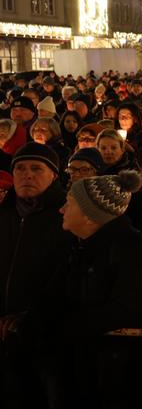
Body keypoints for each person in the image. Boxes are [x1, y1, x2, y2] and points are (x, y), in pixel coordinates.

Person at [31, 170, 142, 408]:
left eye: (68, 203)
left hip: (111, 373)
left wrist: (59, 330)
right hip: (77, 364)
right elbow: (53, 294)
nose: (61, 209)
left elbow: (123, 309)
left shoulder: (132, 249)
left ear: (90, 216)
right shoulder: (78, 245)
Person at [0, 143, 71, 409]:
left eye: (36, 169)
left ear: (54, 175)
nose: (26, 175)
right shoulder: (4, 213)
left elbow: (65, 274)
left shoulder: (66, 215)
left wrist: (32, 315)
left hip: (44, 335)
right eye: (20, 168)